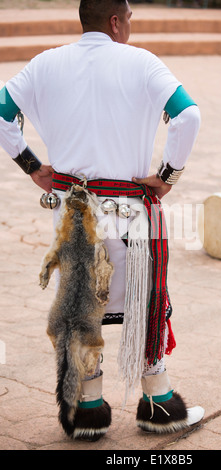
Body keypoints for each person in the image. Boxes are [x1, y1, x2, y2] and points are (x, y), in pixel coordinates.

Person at [0, 0, 204, 441]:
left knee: (79, 309)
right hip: (129, 216)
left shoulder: (44, 65)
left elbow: (1, 110)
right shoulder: (142, 63)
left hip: (71, 217)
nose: (130, 25)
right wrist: (168, 176)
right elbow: (188, 115)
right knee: (143, 303)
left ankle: (87, 410)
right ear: (115, 21)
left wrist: (32, 165)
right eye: (129, 17)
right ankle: (159, 404)